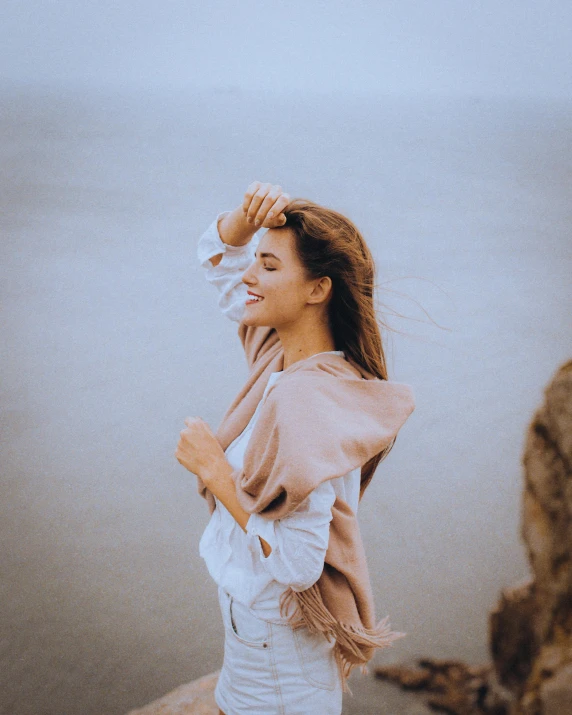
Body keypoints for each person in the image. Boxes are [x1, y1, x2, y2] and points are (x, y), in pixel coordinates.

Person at [175, 181, 416, 714]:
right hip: (255, 631)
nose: (248, 276)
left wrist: (216, 471)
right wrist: (244, 216)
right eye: (254, 261)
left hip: (278, 652)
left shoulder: (311, 402)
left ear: (317, 289)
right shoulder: (280, 357)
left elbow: (298, 562)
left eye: (268, 265)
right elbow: (218, 262)